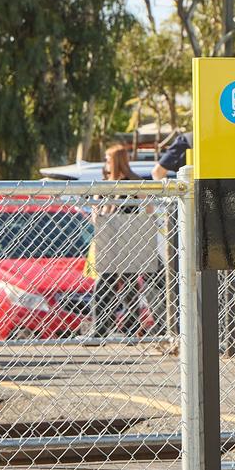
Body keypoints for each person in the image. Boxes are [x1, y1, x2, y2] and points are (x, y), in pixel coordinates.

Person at [92, 144, 145, 337]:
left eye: (108, 159)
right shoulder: (107, 184)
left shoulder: (133, 182)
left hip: (126, 239)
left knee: (127, 284)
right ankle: (105, 328)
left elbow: (147, 209)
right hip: (113, 240)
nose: (105, 164)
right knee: (107, 284)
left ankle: (123, 328)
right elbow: (97, 214)